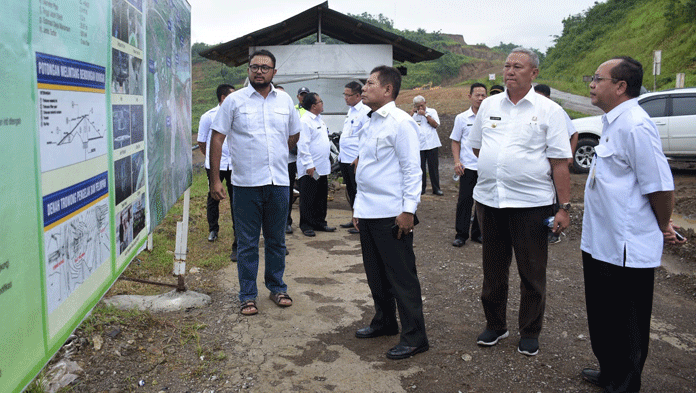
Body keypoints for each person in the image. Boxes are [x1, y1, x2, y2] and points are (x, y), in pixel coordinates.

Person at [579, 56, 685, 392]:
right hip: (600, 241)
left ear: (621, 86)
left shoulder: (637, 125)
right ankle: (609, 369)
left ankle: (625, 383)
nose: (592, 84)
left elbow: (660, 186)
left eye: (598, 78)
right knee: (602, 314)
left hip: (625, 245)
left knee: (626, 320)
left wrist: (663, 223)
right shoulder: (613, 122)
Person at [466, 47, 572, 356]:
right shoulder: (488, 105)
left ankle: (530, 330)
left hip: (532, 204)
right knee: (493, 269)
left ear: (534, 73)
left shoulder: (548, 110)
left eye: (518, 66)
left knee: (532, 272)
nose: (510, 71)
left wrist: (563, 207)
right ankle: (496, 325)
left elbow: (560, 163)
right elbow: (477, 149)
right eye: (507, 65)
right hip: (490, 201)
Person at [209, 49, 301, 316]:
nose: (259, 70)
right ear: (248, 70)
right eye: (254, 66)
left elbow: (293, 134)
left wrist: (276, 152)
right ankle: (247, 295)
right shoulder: (234, 101)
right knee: (248, 243)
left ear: (274, 72)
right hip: (246, 184)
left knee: (276, 240)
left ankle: (277, 287)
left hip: (278, 183)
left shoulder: (284, 101)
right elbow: (217, 138)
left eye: (265, 67)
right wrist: (215, 180)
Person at [352, 65, 428, 360]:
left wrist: (409, 210)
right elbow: (368, 169)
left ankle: (415, 337)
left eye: (370, 83)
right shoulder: (370, 120)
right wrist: (358, 208)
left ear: (387, 89)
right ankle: (384, 322)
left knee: (401, 277)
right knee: (376, 275)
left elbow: (412, 170)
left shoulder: (400, 122)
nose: (364, 88)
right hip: (369, 211)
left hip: (392, 213)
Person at [197, 84, 238, 260]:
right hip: (216, 165)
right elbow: (202, 142)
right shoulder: (208, 117)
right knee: (214, 196)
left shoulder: (237, 114)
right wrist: (213, 159)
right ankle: (213, 229)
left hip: (234, 164)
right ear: (223, 98)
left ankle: (238, 232)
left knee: (237, 197)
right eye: (231, 95)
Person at [534, 83, 578, 245]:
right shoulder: (533, 110)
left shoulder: (554, 110)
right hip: (542, 164)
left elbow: (574, 134)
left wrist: (570, 156)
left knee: (556, 196)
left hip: (555, 161)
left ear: (548, 97)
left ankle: (554, 231)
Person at [450, 83, 486, 247]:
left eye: (483, 95)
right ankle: (461, 234)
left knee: (483, 202)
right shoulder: (462, 118)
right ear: (470, 96)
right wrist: (457, 161)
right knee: (465, 201)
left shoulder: (490, 118)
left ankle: (478, 234)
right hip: (468, 167)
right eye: (477, 95)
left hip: (486, 168)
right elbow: (455, 141)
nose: (480, 98)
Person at [297, 92, 335, 237]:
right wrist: (308, 165)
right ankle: (306, 225)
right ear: (313, 106)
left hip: (322, 166)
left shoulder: (319, 119)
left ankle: (320, 222)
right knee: (308, 197)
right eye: (320, 102)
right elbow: (303, 145)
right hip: (311, 168)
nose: (322, 103)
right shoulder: (305, 121)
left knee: (320, 196)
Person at [338, 81, 370, 234]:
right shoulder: (350, 110)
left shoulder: (365, 111)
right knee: (350, 191)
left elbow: (367, 137)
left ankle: (362, 222)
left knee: (359, 191)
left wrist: (359, 157)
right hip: (345, 158)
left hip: (355, 159)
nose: (345, 98)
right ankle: (354, 219)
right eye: (344, 94)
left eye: (348, 95)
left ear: (358, 95)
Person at [286, 87, 309, 234]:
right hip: (291, 155)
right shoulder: (292, 110)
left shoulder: (314, 111)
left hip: (303, 157)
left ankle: (309, 221)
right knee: (287, 189)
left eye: (306, 95)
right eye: (301, 95)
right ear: (298, 96)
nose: (303, 97)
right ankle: (286, 221)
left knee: (305, 189)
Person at [412, 95, 443, 195]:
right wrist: (411, 114)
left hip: (432, 144)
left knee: (433, 168)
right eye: (418, 106)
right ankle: (422, 188)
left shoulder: (432, 112)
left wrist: (425, 115)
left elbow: (435, 125)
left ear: (425, 103)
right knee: (420, 168)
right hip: (419, 145)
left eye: (421, 105)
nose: (420, 108)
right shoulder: (414, 115)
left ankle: (436, 188)